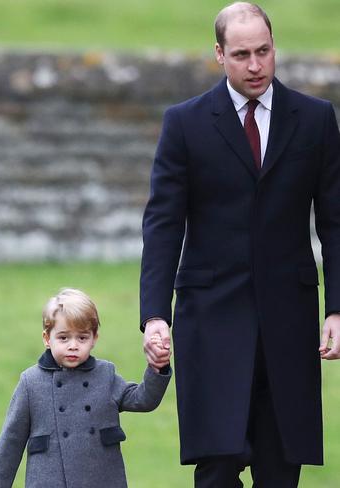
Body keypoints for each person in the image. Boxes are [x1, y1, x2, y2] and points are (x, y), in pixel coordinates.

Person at [140, 2, 340, 486]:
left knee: (280, 471)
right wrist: (153, 315)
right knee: (217, 469)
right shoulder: (184, 124)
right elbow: (163, 224)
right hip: (209, 321)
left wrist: (337, 308)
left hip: (288, 326)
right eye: (242, 54)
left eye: (264, 52)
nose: (255, 65)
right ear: (219, 54)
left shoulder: (314, 120)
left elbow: (334, 223)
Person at [0, 288, 171, 488]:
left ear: (94, 338)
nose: (73, 345)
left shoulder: (105, 374)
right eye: (63, 338)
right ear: (47, 338)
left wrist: (157, 368)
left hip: (102, 480)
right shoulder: (31, 382)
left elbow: (144, 399)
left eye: (82, 338)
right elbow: (9, 445)